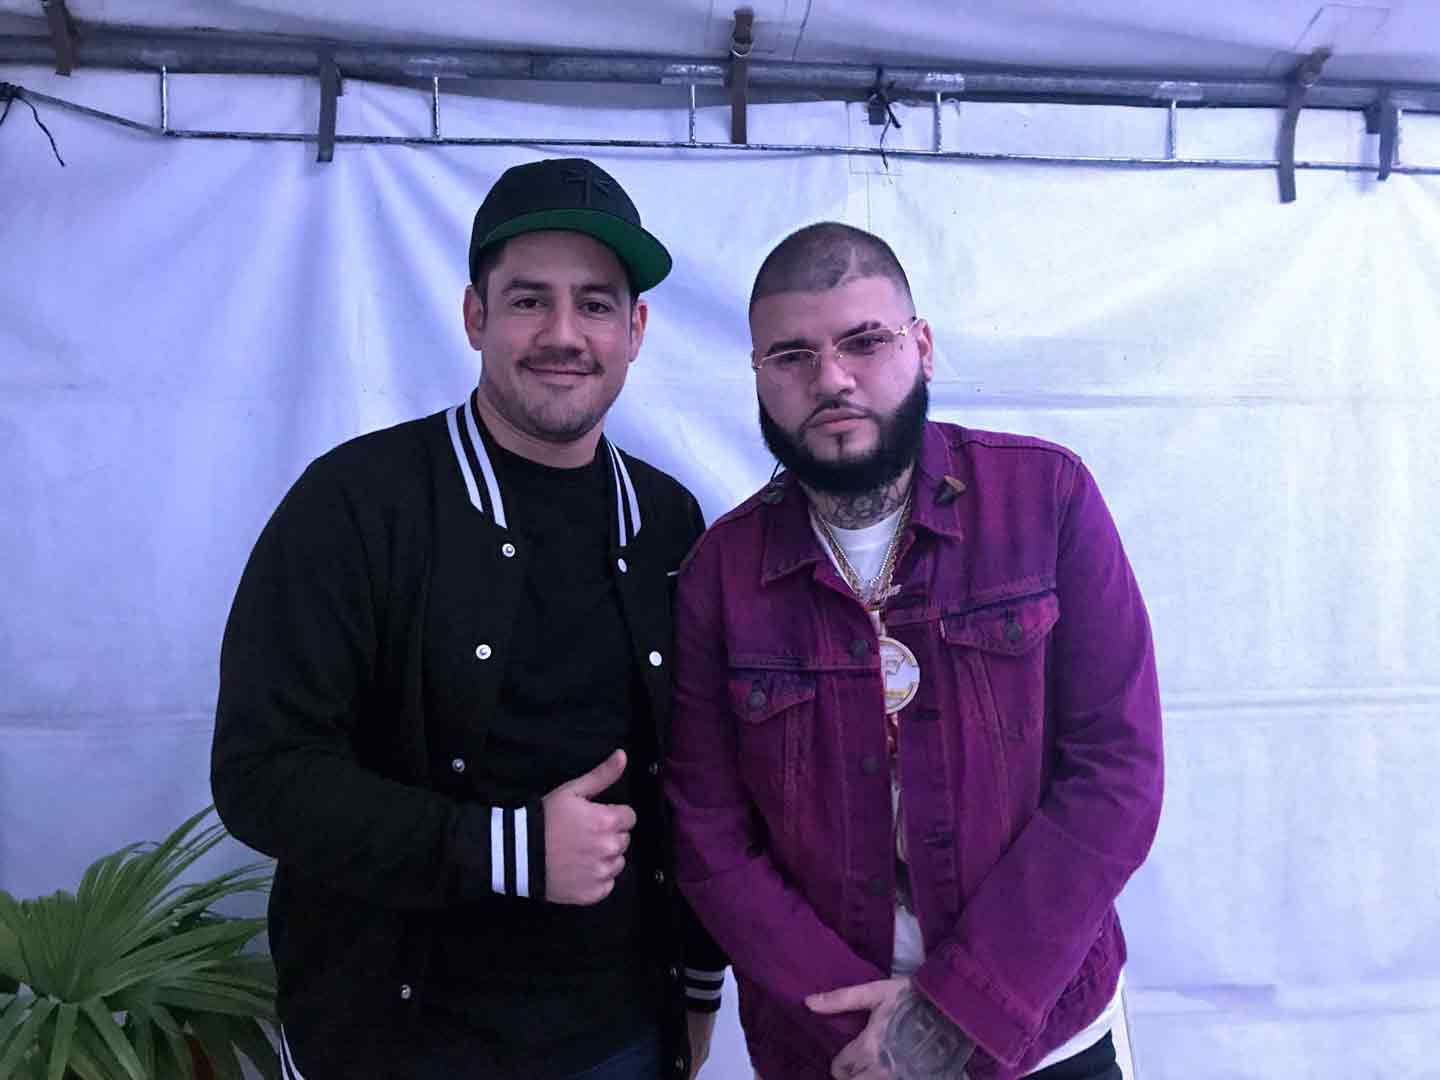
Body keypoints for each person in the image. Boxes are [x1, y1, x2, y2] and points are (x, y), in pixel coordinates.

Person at [212, 157, 725, 1080]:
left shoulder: (668, 520)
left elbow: (697, 775)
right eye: (529, 301)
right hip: (391, 1039)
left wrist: (696, 983)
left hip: (618, 1035)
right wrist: (507, 849)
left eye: (596, 304)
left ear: (636, 329)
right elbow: (260, 773)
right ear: (475, 316)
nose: (563, 334)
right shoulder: (356, 503)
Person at [665, 222, 1163, 1080]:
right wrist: (863, 1027)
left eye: (864, 341)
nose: (832, 379)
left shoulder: (1046, 500)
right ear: (757, 375)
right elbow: (709, 833)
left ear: (922, 346)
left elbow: (1117, 773)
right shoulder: (722, 571)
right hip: (834, 1051)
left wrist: (958, 1006)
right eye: (791, 356)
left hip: (1044, 1035)